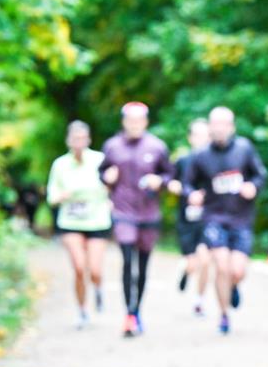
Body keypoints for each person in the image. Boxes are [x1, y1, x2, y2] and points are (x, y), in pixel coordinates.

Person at [182, 106, 267, 334]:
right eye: (215, 124)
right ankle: (224, 315)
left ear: (232, 127)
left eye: (224, 124)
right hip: (213, 217)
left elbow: (260, 175)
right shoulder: (201, 155)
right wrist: (192, 194)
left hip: (241, 219)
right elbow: (187, 183)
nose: (219, 128)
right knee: (221, 265)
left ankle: (233, 285)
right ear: (210, 127)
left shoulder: (244, 148)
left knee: (236, 271)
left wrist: (253, 187)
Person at [99, 102, 174, 337]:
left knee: (142, 266)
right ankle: (128, 314)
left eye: (139, 120)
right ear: (124, 122)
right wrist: (106, 177)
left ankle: (136, 310)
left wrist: (159, 181)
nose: (134, 124)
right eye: (130, 120)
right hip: (123, 212)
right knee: (127, 260)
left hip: (148, 213)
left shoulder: (157, 146)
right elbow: (101, 172)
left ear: (145, 122)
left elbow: (169, 175)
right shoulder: (112, 146)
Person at [45, 120, 112, 328]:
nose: (79, 142)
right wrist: (62, 196)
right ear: (68, 140)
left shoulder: (100, 160)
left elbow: (112, 184)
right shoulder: (60, 164)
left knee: (95, 270)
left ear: (89, 140)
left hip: (97, 221)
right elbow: (51, 196)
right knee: (79, 267)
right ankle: (82, 311)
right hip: (70, 221)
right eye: (75, 138)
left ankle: (98, 288)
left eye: (82, 138)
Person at [168, 118, 212, 317]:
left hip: (208, 218)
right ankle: (186, 271)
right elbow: (170, 180)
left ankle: (199, 301)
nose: (201, 139)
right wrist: (179, 188)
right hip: (186, 218)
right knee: (192, 262)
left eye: (205, 135)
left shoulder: (216, 160)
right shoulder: (182, 160)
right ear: (190, 138)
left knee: (205, 260)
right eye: (197, 135)